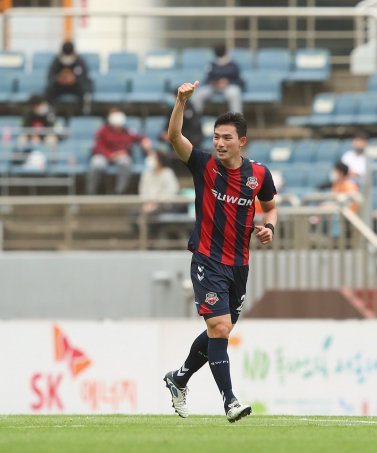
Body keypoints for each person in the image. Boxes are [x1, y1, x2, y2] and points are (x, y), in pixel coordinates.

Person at [163, 81, 277, 423]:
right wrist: (180, 103)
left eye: (227, 137)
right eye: (216, 136)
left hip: (239, 264)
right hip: (208, 259)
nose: (220, 143)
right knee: (221, 328)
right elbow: (174, 137)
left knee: (218, 330)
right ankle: (229, 401)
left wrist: (268, 227)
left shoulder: (258, 175)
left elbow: (270, 208)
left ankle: (179, 377)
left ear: (241, 141)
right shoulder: (203, 165)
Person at [86, 109, 152, 195]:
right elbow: (98, 147)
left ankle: (119, 192)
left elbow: (138, 137)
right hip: (104, 156)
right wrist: (110, 154)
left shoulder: (127, 131)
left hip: (120, 156)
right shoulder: (102, 130)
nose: (118, 127)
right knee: (96, 163)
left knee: (126, 162)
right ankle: (90, 192)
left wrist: (145, 140)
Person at [190, 43, 244, 114]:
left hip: (228, 87)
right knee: (198, 94)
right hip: (213, 88)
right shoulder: (212, 65)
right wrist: (213, 83)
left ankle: (236, 120)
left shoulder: (233, 65)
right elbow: (207, 80)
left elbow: (239, 81)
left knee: (234, 94)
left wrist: (228, 82)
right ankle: (194, 119)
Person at [45, 42, 91, 115]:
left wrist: (74, 79)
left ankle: (83, 111)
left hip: (75, 86)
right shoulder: (57, 61)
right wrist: (58, 79)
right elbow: (51, 75)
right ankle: (50, 110)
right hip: (60, 87)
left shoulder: (79, 61)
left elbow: (84, 76)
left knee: (85, 88)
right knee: (49, 89)